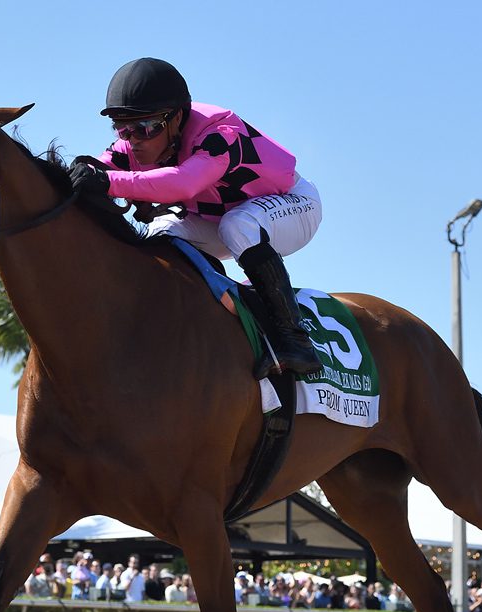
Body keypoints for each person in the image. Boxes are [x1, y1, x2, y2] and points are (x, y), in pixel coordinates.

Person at [69, 57, 322, 375]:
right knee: (160, 234)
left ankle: (295, 340)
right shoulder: (134, 143)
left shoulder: (220, 132)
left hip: (293, 205)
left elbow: (183, 183)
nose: (134, 140)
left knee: (239, 225)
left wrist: (107, 182)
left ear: (177, 117)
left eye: (146, 127)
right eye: (123, 129)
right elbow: (99, 168)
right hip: (221, 220)